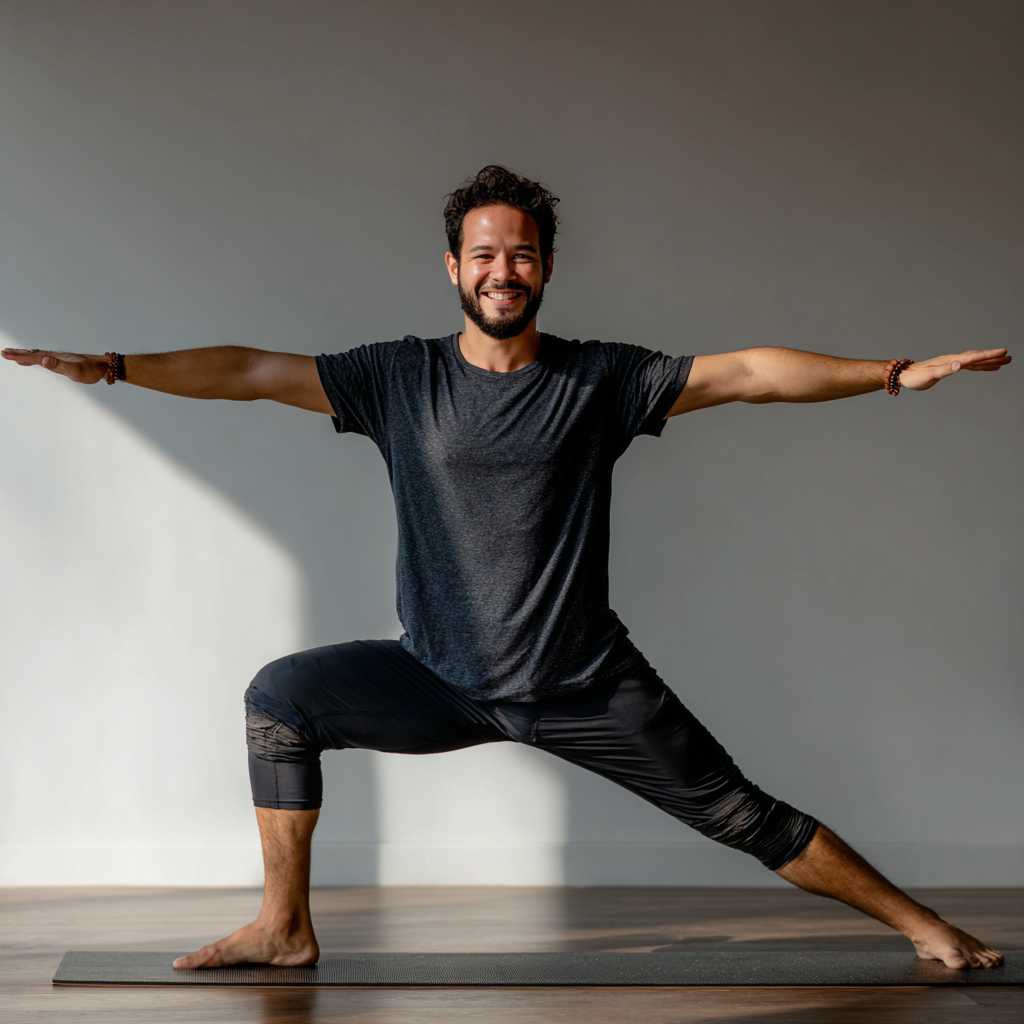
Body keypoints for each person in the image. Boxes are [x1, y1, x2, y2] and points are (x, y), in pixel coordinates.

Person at [3, 166, 1009, 973]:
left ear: (546, 269)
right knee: (281, 698)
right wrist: (121, 366)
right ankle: (284, 925)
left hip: (581, 682)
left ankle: (923, 925)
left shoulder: (600, 379)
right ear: (451, 267)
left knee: (740, 813)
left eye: (520, 254)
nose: (502, 269)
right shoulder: (396, 378)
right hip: (439, 677)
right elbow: (252, 371)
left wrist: (890, 374)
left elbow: (746, 373)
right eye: (483, 252)